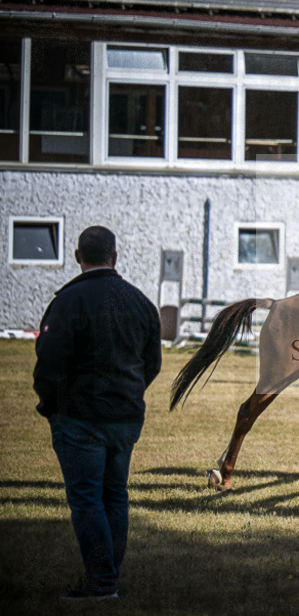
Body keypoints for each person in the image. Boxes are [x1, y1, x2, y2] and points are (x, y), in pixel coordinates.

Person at [33, 226, 162, 601]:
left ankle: (102, 581)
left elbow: (50, 362)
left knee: (87, 500)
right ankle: (108, 577)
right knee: (114, 497)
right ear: (115, 256)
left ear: (77, 257)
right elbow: (151, 363)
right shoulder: (139, 301)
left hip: (80, 416)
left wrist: (52, 405)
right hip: (125, 416)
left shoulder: (69, 300)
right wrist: (129, 394)